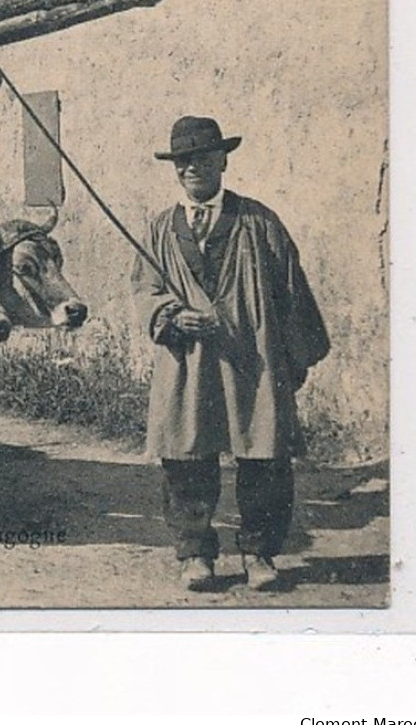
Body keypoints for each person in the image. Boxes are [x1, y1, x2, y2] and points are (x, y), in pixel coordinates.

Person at [132, 116, 330, 594]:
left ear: (223, 160)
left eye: (203, 156)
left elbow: (290, 291)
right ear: (175, 168)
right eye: (184, 160)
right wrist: (172, 316)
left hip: (253, 361)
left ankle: (260, 553)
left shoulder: (260, 223)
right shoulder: (160, 229)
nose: (193, 167)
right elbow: (144, 288)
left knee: (264, 457)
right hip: (188, 362)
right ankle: (196, 554)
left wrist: (292, 360)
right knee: (186, 457)